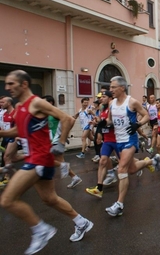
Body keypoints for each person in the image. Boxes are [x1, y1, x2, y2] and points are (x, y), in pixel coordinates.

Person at [0, 70, 93, 254]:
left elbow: (66, 119)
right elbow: (18, 131)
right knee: (50, 199)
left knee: (7, 200)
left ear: (24, 84)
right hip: (35, 159)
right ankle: (81, 222)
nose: (7, 87)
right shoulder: (20, 106)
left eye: (11, 83)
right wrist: (2, 133)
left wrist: (60, 142)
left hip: (40, 159)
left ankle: (41, 230)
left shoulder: (36, 102)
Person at [104, 76, 160, 216]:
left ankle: (119, 205)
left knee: (122, 169)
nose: (110, 90)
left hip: (130, 140)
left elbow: (146, 115)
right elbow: (110, 120)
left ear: (122, 88)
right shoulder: (111, 104)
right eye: (110, 87)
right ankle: (151, 161)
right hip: (118, 141)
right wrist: (103, 124)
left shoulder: (132, 102)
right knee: (131, 169)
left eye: (113, 87)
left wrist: (138, 124)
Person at [42, 95, 83, 189]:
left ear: (50, 102)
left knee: (51, 160)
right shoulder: (46, 113)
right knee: (57, 161)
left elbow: (71, 120)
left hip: (56, 141)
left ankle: (73, 177)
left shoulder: (54, 112)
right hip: (51, 141)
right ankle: (74, 177)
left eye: (44, 101)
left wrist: (64, 137)